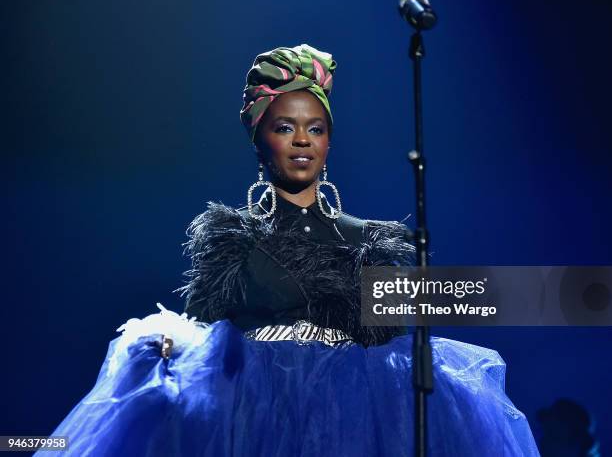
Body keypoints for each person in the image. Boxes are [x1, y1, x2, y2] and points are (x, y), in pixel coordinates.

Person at [38, 44, 539, 456]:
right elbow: (206, 334)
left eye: (315, 128)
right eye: (284, 127)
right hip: (251, 421)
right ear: (260, 139)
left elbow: (396, 334)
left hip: (357, 421)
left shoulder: (369, 241)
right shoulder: (231, 240)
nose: (302, 140)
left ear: (329, 141)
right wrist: (166, 344)